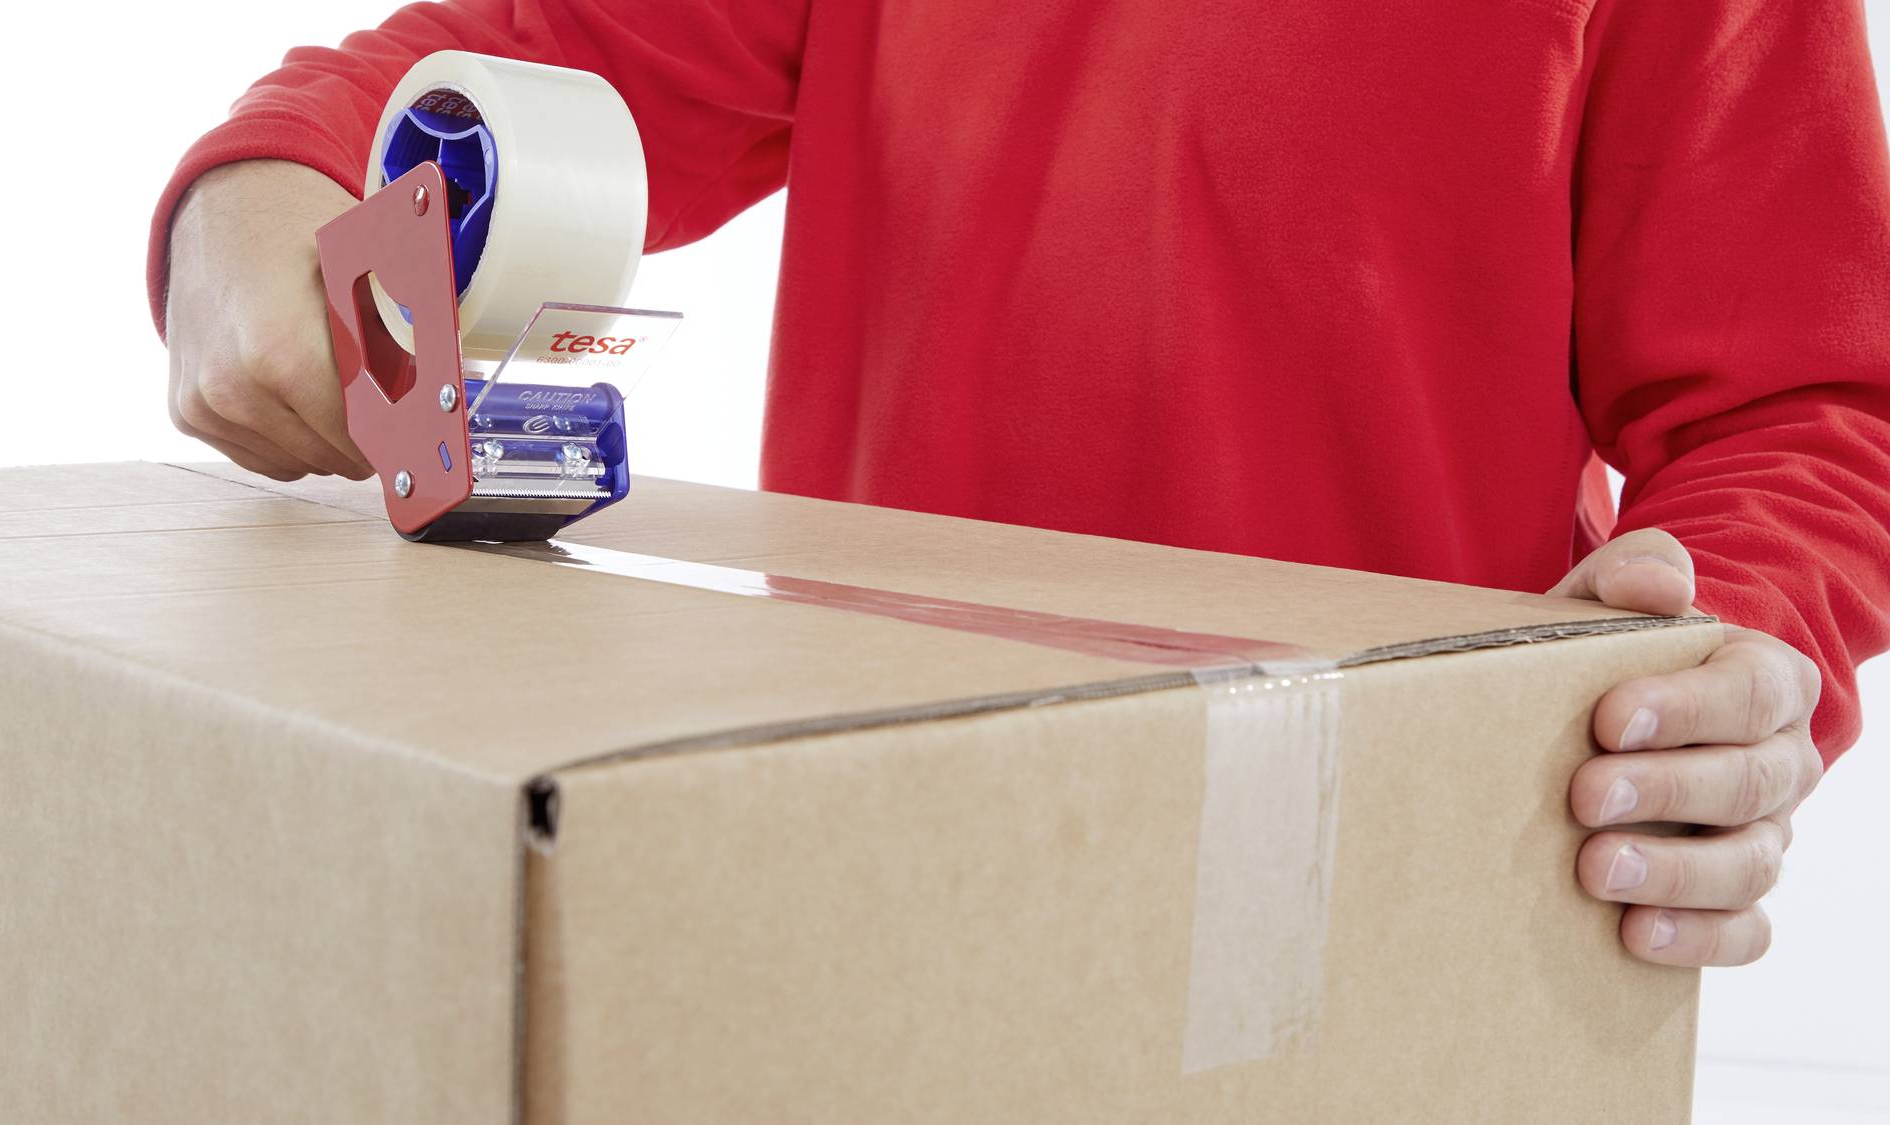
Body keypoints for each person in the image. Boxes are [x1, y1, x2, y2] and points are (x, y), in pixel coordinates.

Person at [150, 0, 1890, 968]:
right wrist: (274, 174)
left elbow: (1812, 401)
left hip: (1404, 887)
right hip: (887, 864)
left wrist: (1724, 647)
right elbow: (534, 64)